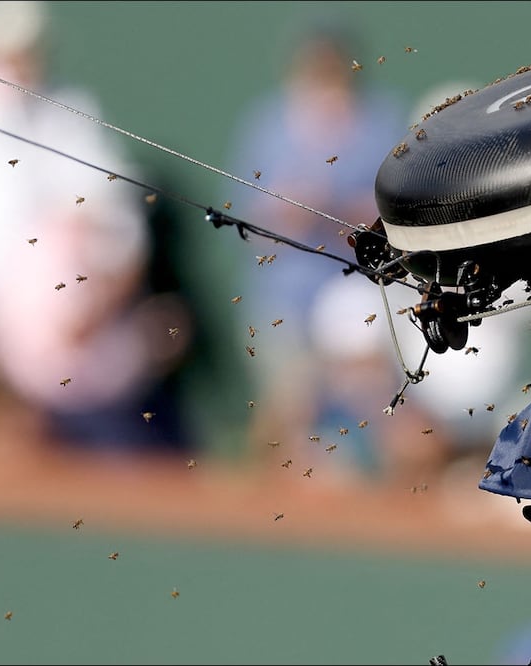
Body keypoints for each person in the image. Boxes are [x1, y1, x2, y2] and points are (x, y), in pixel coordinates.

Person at [220, 17, 452, 490]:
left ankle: (402, 489)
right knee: (289, 408)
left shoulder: (381, 122)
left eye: (332, 71)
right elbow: (250, 221)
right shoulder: (268, 125)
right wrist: (290, 209)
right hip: (285, 299)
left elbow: (394, 213)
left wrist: (334, 208)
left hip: (358, 298)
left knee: (385, 409)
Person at [0, 0, 194, 453]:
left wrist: (103, 293)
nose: (19, 62)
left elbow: (117, 216)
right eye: (8, 50)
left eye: (28, 49)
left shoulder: (70, 112)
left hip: (70, 337)